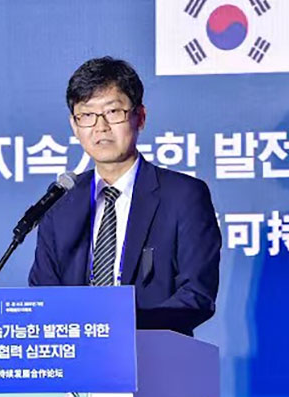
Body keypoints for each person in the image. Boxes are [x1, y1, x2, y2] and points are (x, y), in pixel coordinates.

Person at [28, 56, 221, 336]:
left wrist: (115, 330)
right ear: (74, 125)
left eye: (113, 112)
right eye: (87, 115)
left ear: (140, 117)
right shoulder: (60, 201)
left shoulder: (183, 196)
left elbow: (196, 296)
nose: (101, 127)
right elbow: (43, 296)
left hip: (154, 354)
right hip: (76, 359)